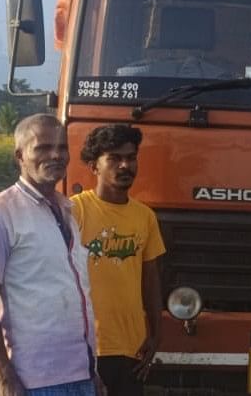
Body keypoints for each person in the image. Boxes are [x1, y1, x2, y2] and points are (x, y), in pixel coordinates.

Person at [0, 114, 101, 396]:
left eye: (62, 147)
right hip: (34, 381)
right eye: (42, 148)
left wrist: (93, 373)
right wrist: (4, 378)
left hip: (82, 374)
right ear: (20, 155)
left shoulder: (67, 210)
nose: (55, 155)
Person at [72, 124, 166, 396]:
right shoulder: (75, 211)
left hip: (132, 346)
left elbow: (150, 279)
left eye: (131, 157)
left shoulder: (145, 217)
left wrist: (156, 333)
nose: (125, 165)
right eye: (114, 158)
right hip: (87, 346)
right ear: (94, 166)